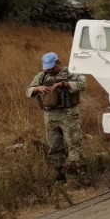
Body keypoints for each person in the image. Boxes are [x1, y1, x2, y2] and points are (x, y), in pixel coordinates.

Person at [26, 52, 88, 183]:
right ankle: (59, 174)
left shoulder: (72, 73)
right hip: (50, 116)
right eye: (47, 67)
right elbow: (28, 91)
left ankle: (82, 173)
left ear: (58, 63)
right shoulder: (42, 76)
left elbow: (82, 84)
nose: (49, 70)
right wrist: (38, 88)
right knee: (54, 145)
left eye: (51, 67)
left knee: (74, 143)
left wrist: (64, 84)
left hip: (68, 114)